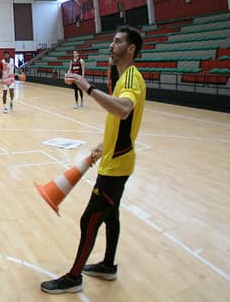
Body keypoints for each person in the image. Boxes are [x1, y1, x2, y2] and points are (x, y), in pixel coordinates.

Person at [40, 26, 146, 295]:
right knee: (111, 215)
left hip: (117, 167)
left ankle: (74, 277)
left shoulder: (132, 78)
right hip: (115, 159)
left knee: (89, 219)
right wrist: (104, 144)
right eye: (112, 40)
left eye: (118, 41)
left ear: (131, 49)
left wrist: (87, 87)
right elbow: (121, 119)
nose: (112, 45)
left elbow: (123, 110)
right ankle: (108, 266)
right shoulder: (122, 78)